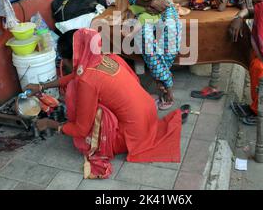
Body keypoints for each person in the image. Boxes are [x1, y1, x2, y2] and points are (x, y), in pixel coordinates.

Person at [26, 29, 182, 179]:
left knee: (80, 98)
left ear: (70, 59)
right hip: (148, 115)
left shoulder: (87, 80)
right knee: (80, 87)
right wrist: (41, 87)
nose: (63, 64)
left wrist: (50, 123)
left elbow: (81, 130)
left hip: (134, 134)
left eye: (63, 60)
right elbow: (75, 75)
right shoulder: (104, 58)